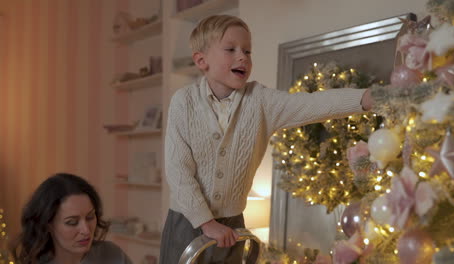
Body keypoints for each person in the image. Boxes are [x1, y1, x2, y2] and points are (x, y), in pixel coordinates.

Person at [161, 15, 374, 263]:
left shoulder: (260, 101)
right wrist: (206, 222)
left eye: (247, 51)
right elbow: (178, 170)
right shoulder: (183, 102)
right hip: (186, 223)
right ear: (201, 60)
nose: (242, 57)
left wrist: (366, 99)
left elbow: (312, 103)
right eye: (231, 49)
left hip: (233, 227)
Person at [10, 173, 133, 264]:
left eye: (90, 217)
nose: (86, 230)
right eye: (72, 222)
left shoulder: (113, 255)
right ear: (48, 225)